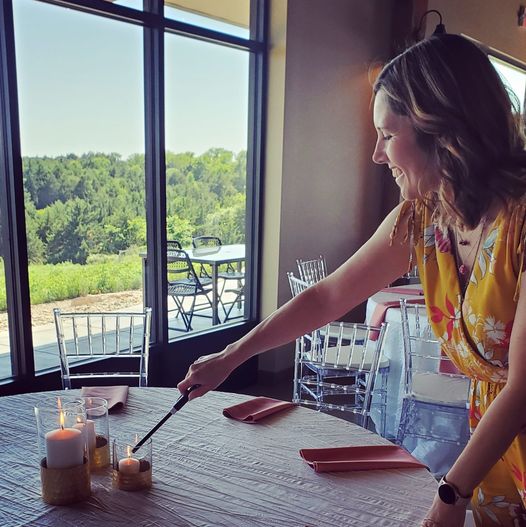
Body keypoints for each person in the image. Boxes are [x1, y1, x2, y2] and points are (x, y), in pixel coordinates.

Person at [178, 34, 526, 527]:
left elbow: (523, 386)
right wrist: (230, 357)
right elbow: (328, 296)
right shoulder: (421, 219)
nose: (377, 156)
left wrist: (452, 494)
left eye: (386, 134)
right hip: (493, 452)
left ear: (440, 128)